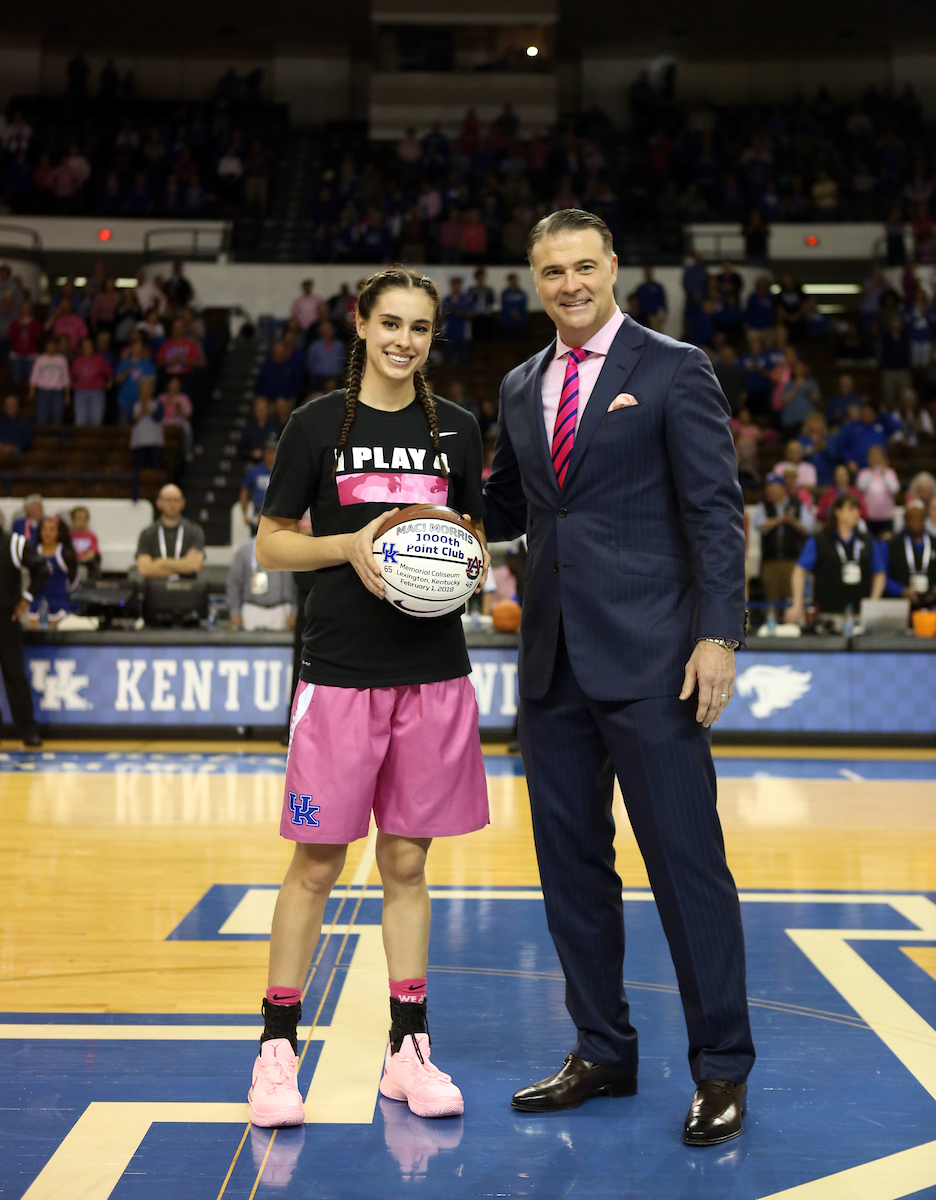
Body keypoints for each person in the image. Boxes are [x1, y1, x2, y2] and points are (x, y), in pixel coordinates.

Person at [482, 209, 753, 1143]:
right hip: (552, 665)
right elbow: (508, 502)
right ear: (535, 279)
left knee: (687, 870)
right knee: (572, 873)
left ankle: (722, 1068)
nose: (569, 284)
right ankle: (603, 1049)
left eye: (583, 266)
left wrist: (717, 636)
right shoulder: (521, 384)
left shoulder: (676, 368)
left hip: (655, 665)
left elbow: (717, 513)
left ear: (613, 269)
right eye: (551, 271)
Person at [249, 265, 489, 1129]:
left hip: (432, 672)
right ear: (359, 324)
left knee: (409, 864)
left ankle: (408, 1049)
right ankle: (277, 1048)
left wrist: (465, 554)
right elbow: (273, 547)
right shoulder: (316, 425)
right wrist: (351, 545)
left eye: (420, 328)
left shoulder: (458, 430)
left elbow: (472, 541)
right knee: (318, 862)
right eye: (389, 323)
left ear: (433, 337)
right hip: (340, 674)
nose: (403, 341)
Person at [787, 493, 887, 624]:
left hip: (859, 615)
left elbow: (879, 574)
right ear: (838, 512)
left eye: (858, 509)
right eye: (851, 509)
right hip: (827, 615)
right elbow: (799, 571)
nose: (856, 513)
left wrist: (873, 602)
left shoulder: (867, 540)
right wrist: (797, 603)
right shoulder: (820, 540)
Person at [0, 512, 48, 746]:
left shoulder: (15, 542)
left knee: (14, 674)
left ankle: (28, 728)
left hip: (6, 617)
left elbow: (42, 570)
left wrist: (26, 598)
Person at [754, 475, 814, 605]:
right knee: (771, 601)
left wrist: (792, 522)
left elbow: (808, 527)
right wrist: (780, 520)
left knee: (792, 600)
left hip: (793, 561)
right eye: (768, 488)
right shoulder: (764, 506)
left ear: (782, 488)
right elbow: (759, 525)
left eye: (773, 487)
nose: (770, 491)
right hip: (770, 561)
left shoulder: (797, 505)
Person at [227, 536, 298, 631]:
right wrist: (234, 612)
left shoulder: (288, 550)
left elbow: (296, 584)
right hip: (251, 611)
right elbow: (234, 584)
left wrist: (295, 611)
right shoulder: (245, 550)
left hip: (281, 611)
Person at [135, 484, 205, 581]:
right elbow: (144, 569)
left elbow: (194, 565)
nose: (172, 504)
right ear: (159, 503)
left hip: (186, 590)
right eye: (168, 500)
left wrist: (160, 563)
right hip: (155, 590)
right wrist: (182, 565)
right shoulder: (147, 533)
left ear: (183, 503)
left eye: (176, 500)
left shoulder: (194, 531)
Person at [884, 501, 936, 609]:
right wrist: (901, 590)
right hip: (901, 604)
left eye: (919, 518)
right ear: (905, 519)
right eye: (912, 518)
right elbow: (883, 577)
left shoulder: (934, 542)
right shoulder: (892, 544)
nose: (916, 522)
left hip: (931, 602)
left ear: (924, 519)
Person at [29, 515, 78, 623]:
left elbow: (73, 581)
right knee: (34, 638)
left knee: (57, 639)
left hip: (59, 603)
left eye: (52, 529)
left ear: (59, 533)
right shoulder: (33, 552)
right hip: (36, 603)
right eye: (44, 529)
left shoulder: (66, 553)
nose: (47, 533)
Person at [838, 402, 901, 473]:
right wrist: (848, 460)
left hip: (879, 470)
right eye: (864, 411)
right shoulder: (852, 427)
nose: (867, 414)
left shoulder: (881, 424)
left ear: (874, 413)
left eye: (869, 411)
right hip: (857, 470)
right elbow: (842, 446)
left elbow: (897, 426)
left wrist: (883, 413)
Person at [129, 378, 164, 499]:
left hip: (154, 442)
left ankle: (157, 496)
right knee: (139, 472)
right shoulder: (134, 405)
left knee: (155, 472)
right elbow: (131, 420)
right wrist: (142, 410)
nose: (145, 390)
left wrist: (147, 409)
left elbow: (158, 416)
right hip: (139, 442)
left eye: (148, 388)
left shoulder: (157, 404)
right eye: (143, 388)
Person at [856, 444, 900, 538]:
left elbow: (894, 489)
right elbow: (861, 488)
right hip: (868, 517)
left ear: (882, 457)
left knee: (887, 542)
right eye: (872, 456)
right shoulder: (864, 473)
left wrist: (884, 474)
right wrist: (871, 472)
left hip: (886, 517)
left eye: (877, 456)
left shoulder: (889, 472)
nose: (875, 459)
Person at [70, 335, 113, 427]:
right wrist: (72, 383)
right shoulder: (77, 361)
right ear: (81, 348)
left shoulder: (99, 359)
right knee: (80, 420)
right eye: (85, 346)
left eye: (89, 345)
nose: (87, 348)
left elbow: (109, 373)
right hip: (80, 393)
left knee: (96, 420)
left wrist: (109, 381)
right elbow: (72, 376)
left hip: (97, 392)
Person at [116, 335, 157, 426]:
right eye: (135, 347)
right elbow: (117, 380)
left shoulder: (147, 364)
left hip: (141, 402)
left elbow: (152, 382)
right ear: (131, 348)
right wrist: (126, 373)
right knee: (124, 429)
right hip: (125, 401)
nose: (137, 349)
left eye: (140, 347)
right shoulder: (124, 362)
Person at [29, 336, 71, 425]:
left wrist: (67, 395)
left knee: (57, 417)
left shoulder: (62, 359)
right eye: (49, 345)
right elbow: (34, 376)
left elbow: (65, 378)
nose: (51, 347)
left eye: (53, 345)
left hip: (57, 392)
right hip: (43, 391)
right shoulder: (40, 359)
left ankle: (56, 438)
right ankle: (42, 437)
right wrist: (31, 391)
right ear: (46, 347)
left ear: (56, 346)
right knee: (41, 417)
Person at [240, 441, 277, 532]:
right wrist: (245, 514)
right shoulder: (254, 471)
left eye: (272, 452)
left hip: (276, 511)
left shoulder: (282, 472)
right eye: (267, 452)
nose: (270, 455)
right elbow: (244, 492)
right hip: (258, 512)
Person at [8, 299, 43, 386]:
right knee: (17, 381)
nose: (25, 310)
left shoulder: (36, 323)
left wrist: (30, 326)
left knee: (31, 381)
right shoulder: (14, 323)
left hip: (31, 356)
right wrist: (18, 326)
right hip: (17, 356)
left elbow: (37, 337)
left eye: (28, 308)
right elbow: (11, 337)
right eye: (23, 308)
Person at [159, 376, 194, 461]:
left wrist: (179, 409)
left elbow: (187, 416)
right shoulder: (162, 397)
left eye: (176, 385)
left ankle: (188, 452)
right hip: (163, 422)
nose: (174, 387)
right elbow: (156, 414)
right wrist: (164, 406)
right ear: (168, 386)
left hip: (178, 422)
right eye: (172, 385)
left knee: (187, 427)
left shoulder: (183, 398)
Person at [304, 321, 346, 392]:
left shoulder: (339, 345)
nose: (328, 332)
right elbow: (310, 364)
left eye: (330, 329)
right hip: (320, 380)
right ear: (320, 331)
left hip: (337, 379)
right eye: (325, 330)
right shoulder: (314, 346)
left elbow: (342, 361)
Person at [239, 396, 276, 462]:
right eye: (258, 408)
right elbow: (241, 449)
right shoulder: (248, 427)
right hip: (253, 463)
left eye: (263, 408)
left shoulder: (275, 426)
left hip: (272, 463)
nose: (261, 411)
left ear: (268, 409)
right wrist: (251, 453)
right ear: (254, 410)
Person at [69, 505, 100, 576]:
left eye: (83, 519)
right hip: (72, 562)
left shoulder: (91, 536)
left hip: (86, 564)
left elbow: (93, 553)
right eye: (78, 518)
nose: (81, 522)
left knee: (82, 569)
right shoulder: (69, 535)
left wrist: (82, 560)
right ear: (73, 520)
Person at [635, 265, 667, 332]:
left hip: (654, 315)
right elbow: (636, 301)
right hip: (643, 316)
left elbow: (662, 301)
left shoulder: (657, 287)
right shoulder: (641, 288)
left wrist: (663, 313)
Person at [499, 273, 529, 339]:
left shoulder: (521, 293)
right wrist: (511, 313)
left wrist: (518, 313)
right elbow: (504, 306)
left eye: (515, 280)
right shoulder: (505, 293)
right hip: (507, 320)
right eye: (512, 280)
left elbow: (524, 304)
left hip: (520, 320)